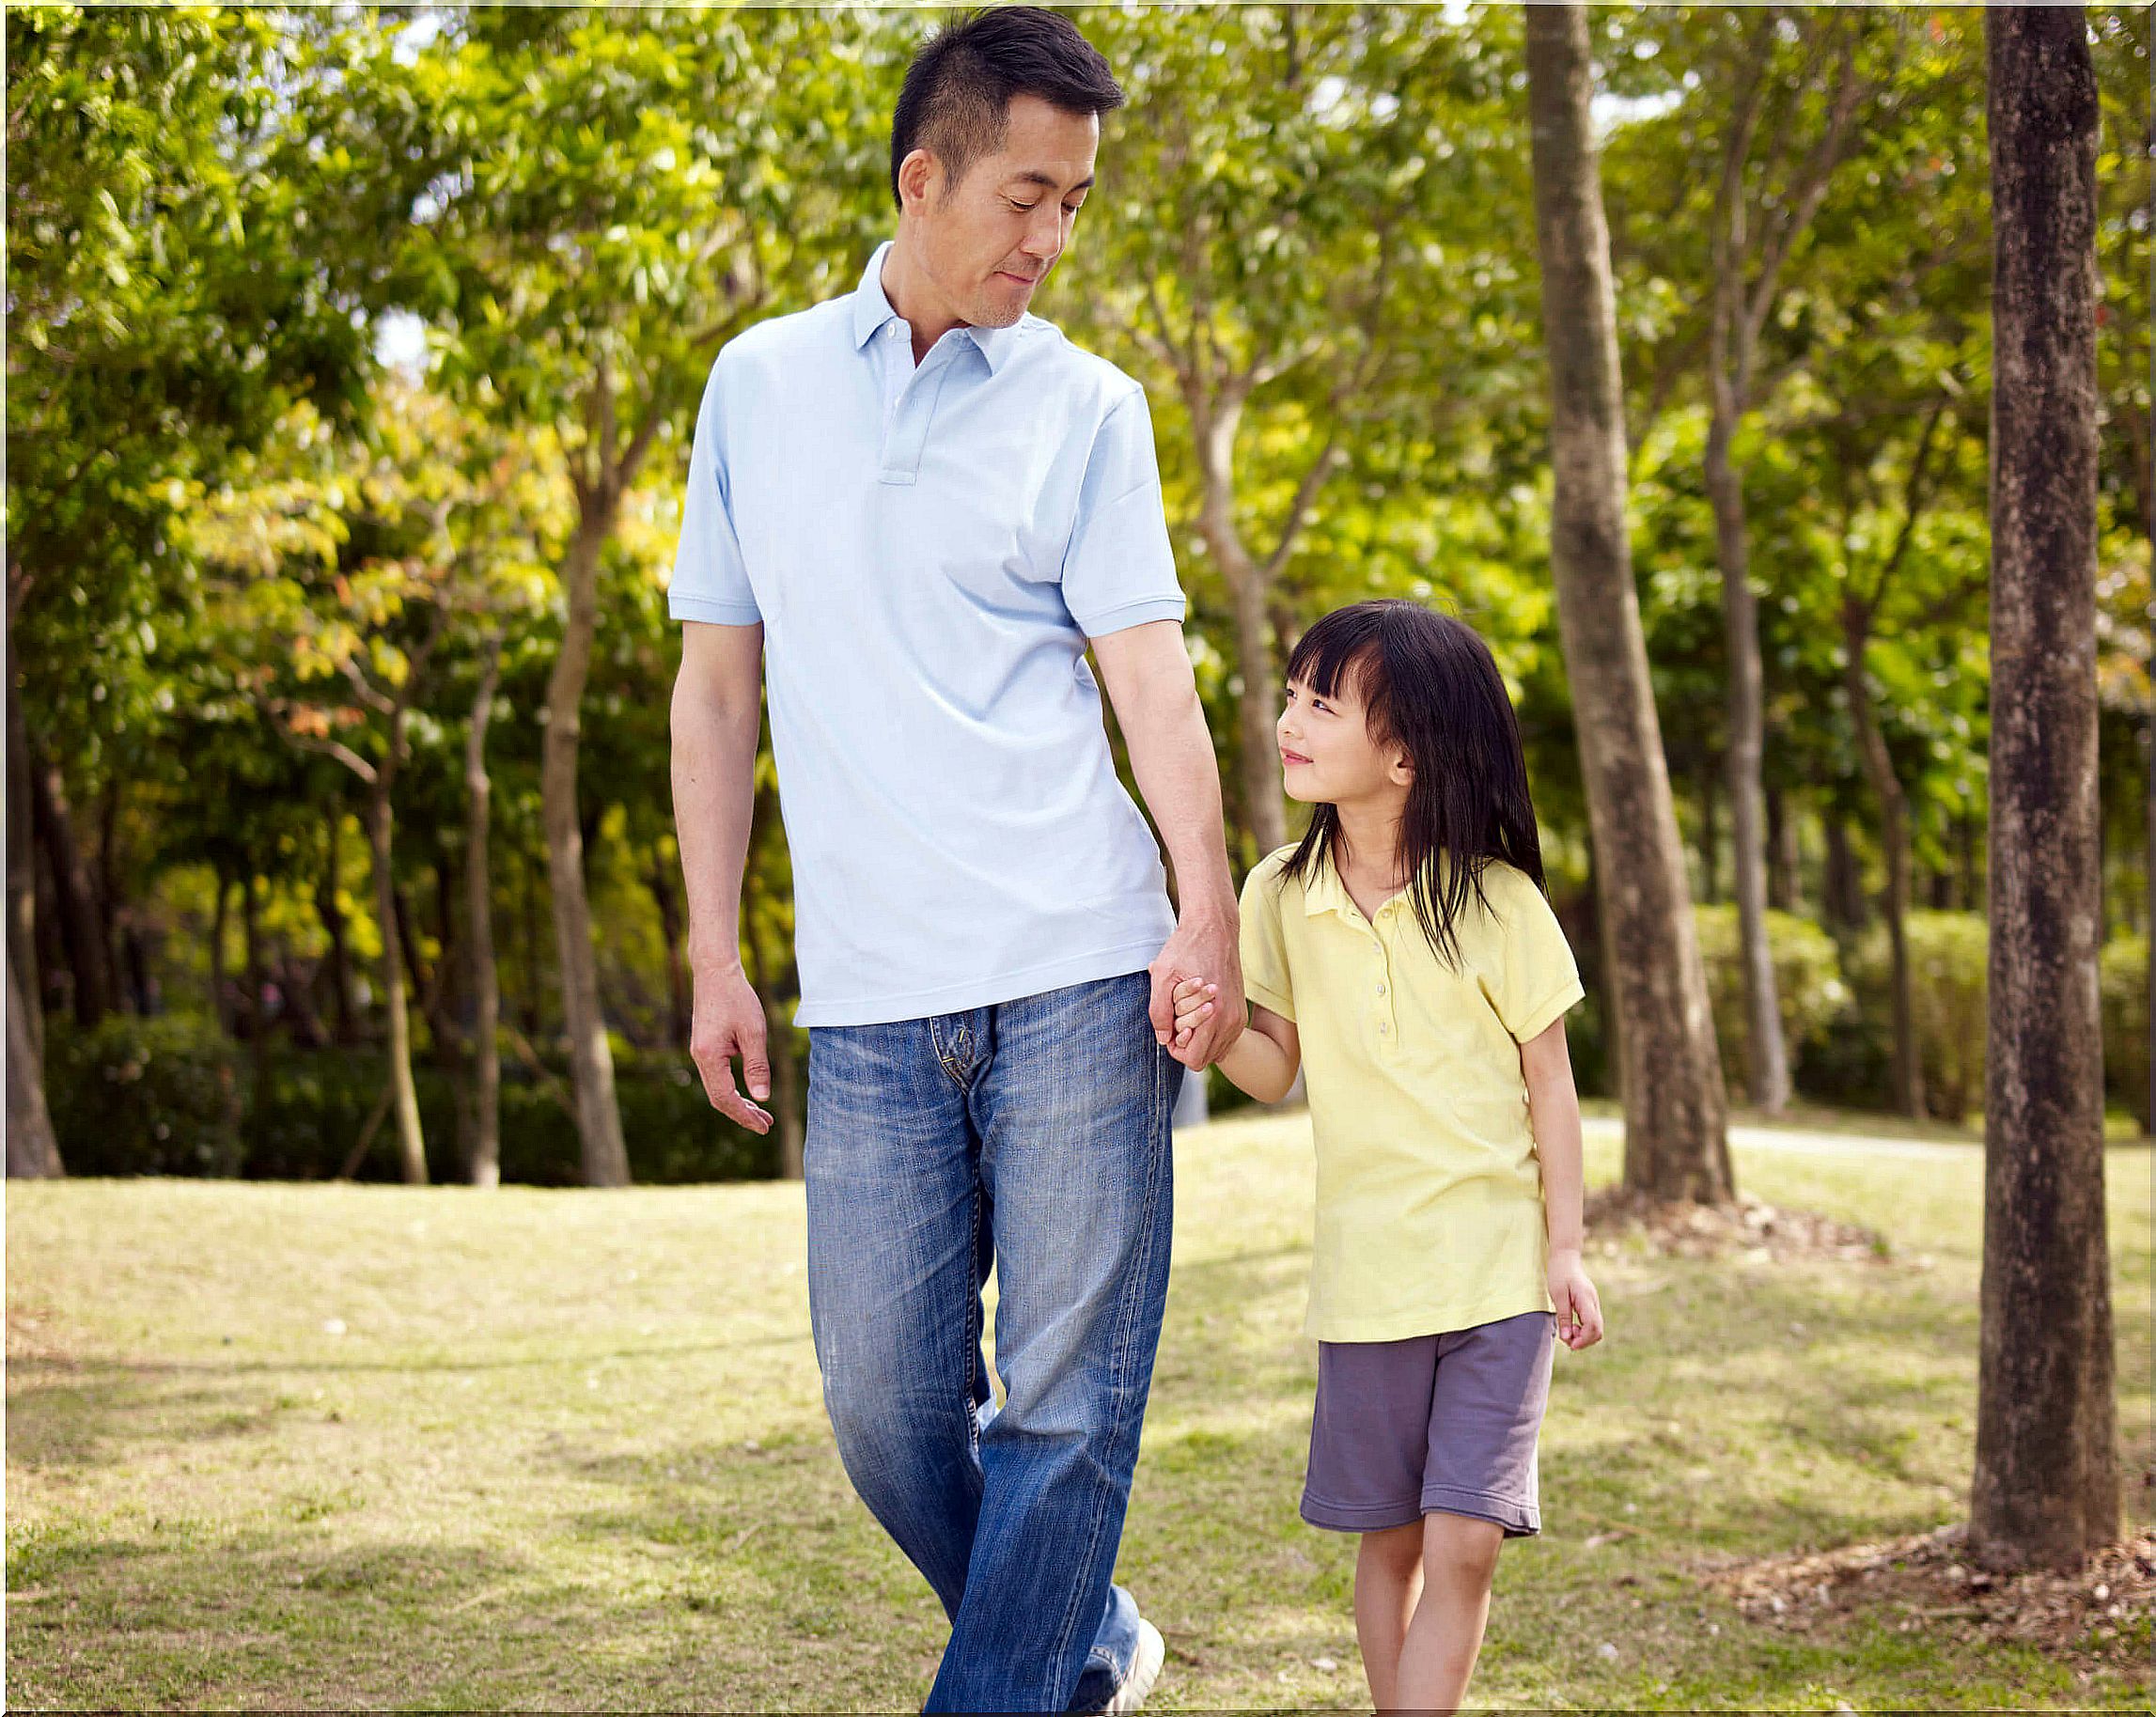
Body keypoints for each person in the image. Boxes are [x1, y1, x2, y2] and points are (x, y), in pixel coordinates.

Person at [666, 9, 1242, 1711]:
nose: (1051, 239)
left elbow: (1153, 685)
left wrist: (1203, 914)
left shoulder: (1090, 409)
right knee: (881, 1401)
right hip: (866, 994)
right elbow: (713, 688)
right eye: (1024, 196)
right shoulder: (757, 386)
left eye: (1074, 203)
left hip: (1078, 962)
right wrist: (713, 949)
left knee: (1068, 1407)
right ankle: (1084, 1634)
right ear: (922, 179)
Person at [1168, 599, 1605, 1714]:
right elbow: (1276, 1068)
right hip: (1365, 1280)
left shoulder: (1499, 904)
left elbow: (1548, 1085)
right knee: (1391, 1542)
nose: (1288, 721)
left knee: (1466, 1543)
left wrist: (1566, 1246)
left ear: (1404, 752)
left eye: (1323, 702)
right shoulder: (1277, 893)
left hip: (1497, 1277)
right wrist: (1211, 1037)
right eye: (1291, 697)